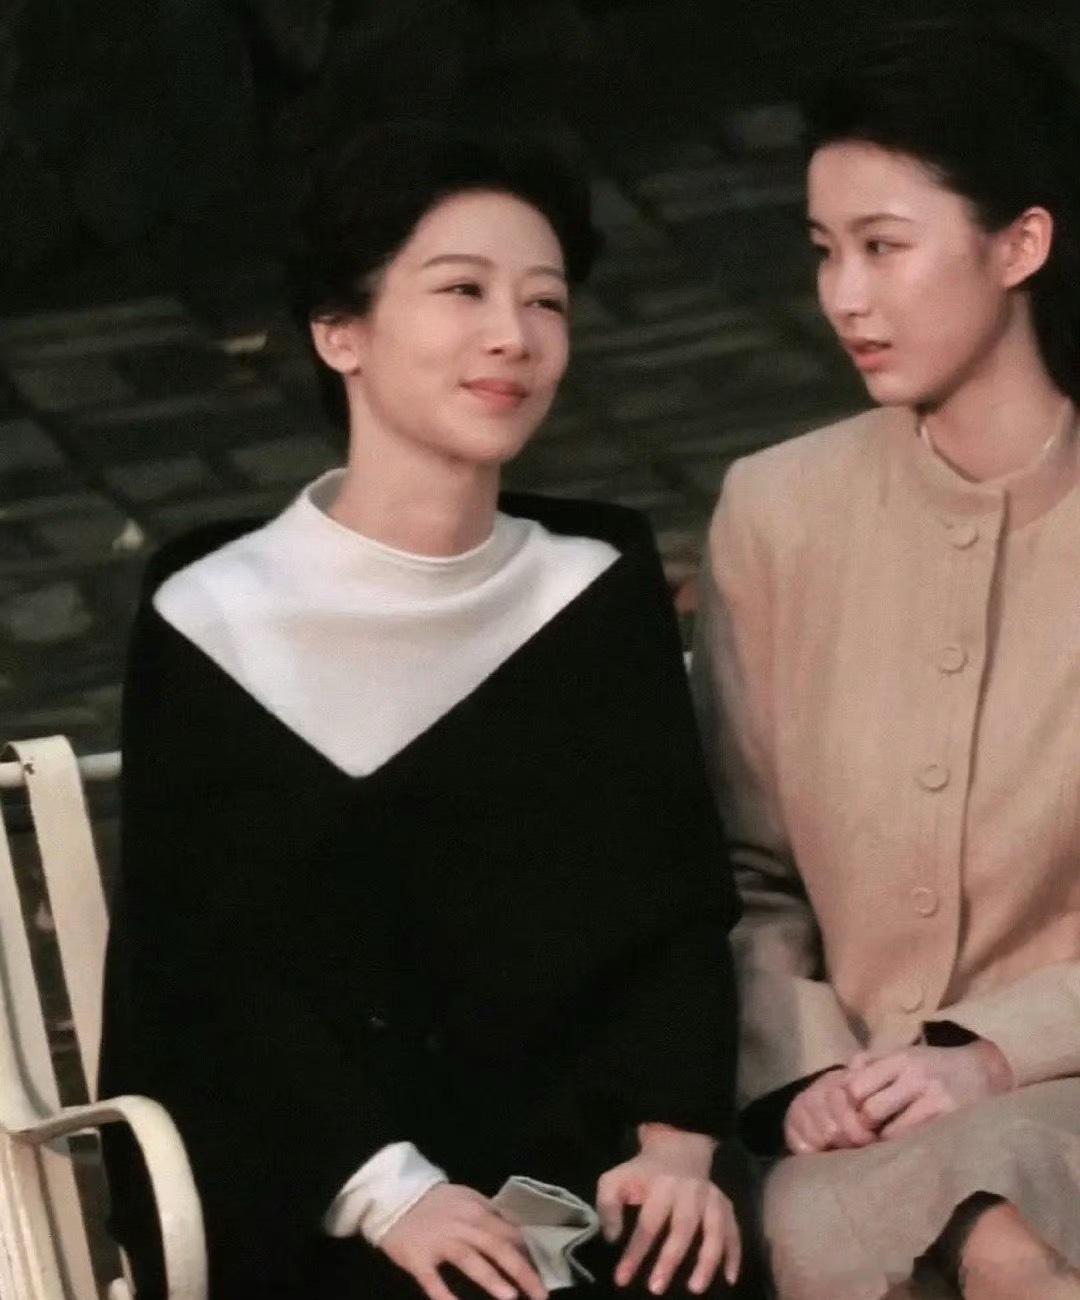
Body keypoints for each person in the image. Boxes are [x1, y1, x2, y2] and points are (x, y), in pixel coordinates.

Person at [99, 123, 762, 1300]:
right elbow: (205, 978)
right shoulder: (212, 617)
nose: (514, 335)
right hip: (327, 1199)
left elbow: (670, 910)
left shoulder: (594, 584)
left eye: (545, 301)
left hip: (580, 1180)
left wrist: (677, 1146)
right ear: (339, 331)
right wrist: (389, 1192)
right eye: (463, 290)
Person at [691, 21, 1080, 1300]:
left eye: (883, 246)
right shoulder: (778, 513)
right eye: (825, 251)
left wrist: (1000, 1054)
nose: (844, 297)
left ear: (1019, 244)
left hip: (1066, 1093)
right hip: (851, 1141)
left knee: (1011, 1223)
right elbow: (747, 878)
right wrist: (805, 1072)